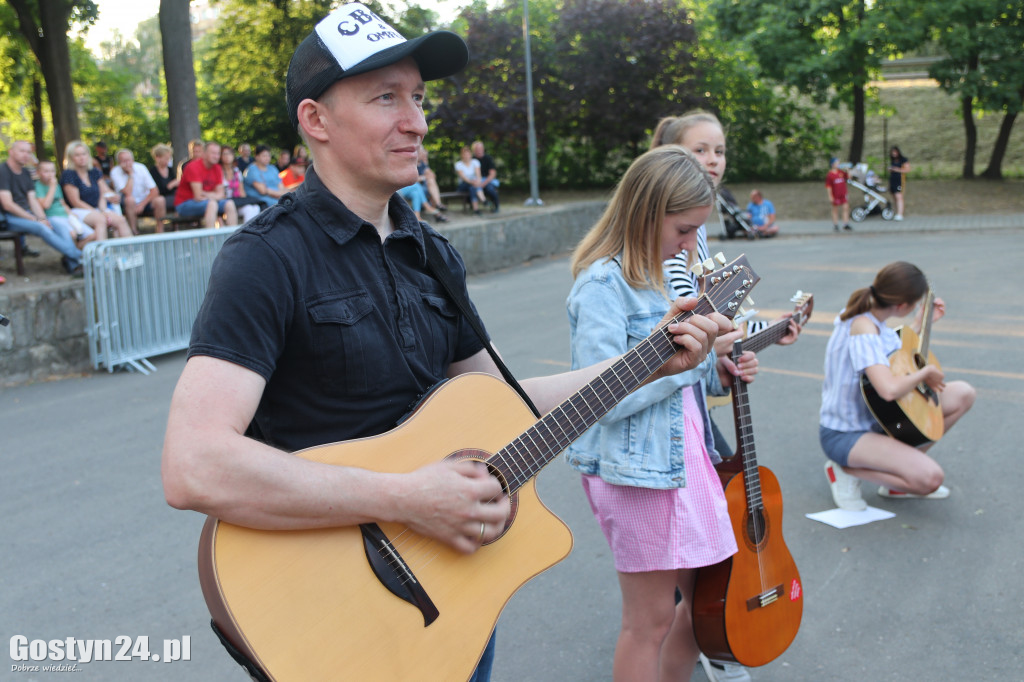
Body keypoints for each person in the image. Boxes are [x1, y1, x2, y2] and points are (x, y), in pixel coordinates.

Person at [160, 7, 727, 682]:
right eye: (386, 98)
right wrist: (406, 498)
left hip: (450, 607)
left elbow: (510, 407)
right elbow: (194, 465)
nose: (418, 122)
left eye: (420, 98)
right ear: (316, 120)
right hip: (334, 617)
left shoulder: (432, 256)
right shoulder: (265, 259)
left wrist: (650, 360)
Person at [567, 144, 756, 682]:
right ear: (645, 215)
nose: (692, 244)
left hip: (684, 464)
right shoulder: (603, 286)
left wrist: (715, 367)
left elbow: (681, 390)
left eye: (698, 230)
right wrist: (679, 364)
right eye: (682, 229)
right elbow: (596, 400)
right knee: (647, 624)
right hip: (640, 477)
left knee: (706, 609)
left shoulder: (668, 276)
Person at [652, 110, 800, 682]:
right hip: (664, 429)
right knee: (678, 575)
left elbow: (709, 342)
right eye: (699, 150)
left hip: (691, 410)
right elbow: (660, 354)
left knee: (709, 548)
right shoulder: (659, 246)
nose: (713, 160)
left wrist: (741, 351)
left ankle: (708, 634)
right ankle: (705, 632)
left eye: (719, 150)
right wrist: (711, 357)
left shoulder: (701, 234)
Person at [819, 261, 975, 510]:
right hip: (846, 434)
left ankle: (897, 480)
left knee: (963, 394)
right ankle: (845, 470)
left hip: (879, 421)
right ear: (901, 306)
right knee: (930, 479)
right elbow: (888, 390)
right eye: (914, 305)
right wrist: (925, 372)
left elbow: (894, 352)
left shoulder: (871, 319)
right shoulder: (862, 327)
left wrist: (923, 321)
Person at [1, 141, 84, 274]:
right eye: (22, 151)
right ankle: (82, 258)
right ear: (11, 151)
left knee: (59, 227)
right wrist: (35, 219)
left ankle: (74, 266)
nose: (26, 155)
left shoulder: (26, 173)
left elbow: (32, 200)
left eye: (28, 152)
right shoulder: (3, 171)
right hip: (9, 218)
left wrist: (43, 218)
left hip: (28, 215)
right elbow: (8, 204)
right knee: (41, 228)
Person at [61, 140, 133, 239]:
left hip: (98, 208)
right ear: (71, 158)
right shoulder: (69, 175)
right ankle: (101, 252)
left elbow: (104, 191)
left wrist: (113, 196)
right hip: (79, 210)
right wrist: (99, 213)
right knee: (100, 220)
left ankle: (130, 251)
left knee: (121, 220)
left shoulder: (94, 172)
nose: (82, 157)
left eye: (84, 154)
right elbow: (76, 202)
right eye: (77, 155)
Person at [34, 159, 99, 247]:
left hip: (65, 215)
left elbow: (62, 203)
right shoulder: (38, 186)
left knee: (92, 235)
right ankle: (74, 255)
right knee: (72, 235)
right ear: (38, 172)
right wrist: (52, 187)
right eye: (46, 171)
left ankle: (75, 254)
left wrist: (70, 213)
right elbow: (46, 205)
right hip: (53, 216)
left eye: (52, 171)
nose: (50, 174)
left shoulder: (56, 186)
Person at [174, 141, 238, 228]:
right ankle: (210, 239)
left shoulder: (217, 168)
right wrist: (214, 195)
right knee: (212, 204)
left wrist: (207, 194)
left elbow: (221, 194)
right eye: (213, 153)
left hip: (207, 201)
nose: (216, 156)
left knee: (229, 203)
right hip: (185, 204)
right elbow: (198, 196)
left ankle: (233, 238)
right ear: (204, 154)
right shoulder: (193, 167)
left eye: (218, 153)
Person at [110, 148, 165, 234]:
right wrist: (130, 175)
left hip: (145, 201)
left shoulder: (141, 168)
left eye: (128, 160)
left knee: (160, 200)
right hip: (126, 203)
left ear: (132, 159)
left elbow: (154, 190)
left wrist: (142, 204)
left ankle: (160, 231)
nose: (127, 163)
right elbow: (127, 192)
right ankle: (134, 230)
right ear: (119, 162)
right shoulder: (115, 172)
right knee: (130, 199)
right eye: (123, 161)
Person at [219, 145, 262, 222]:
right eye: (224, 154)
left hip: (237, 201)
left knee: (255, 208)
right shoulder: (218, 171)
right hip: (225, 203)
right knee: (244, 209)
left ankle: (249, 233)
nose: (227, 156)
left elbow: (241, 191)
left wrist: (244, 201)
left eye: (229, 154)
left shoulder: (237, 171)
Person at [149, 143, 179, 217]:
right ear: (157, 157)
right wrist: (170, 185)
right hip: (161, 198)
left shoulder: (170, 170)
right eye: (166, 158)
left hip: (173, 196)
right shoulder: (153, 171)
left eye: (169, 158)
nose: (168, 161)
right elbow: (157, 190)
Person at [471, 140, 500, 213]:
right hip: (476, 181)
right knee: (472, 189)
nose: (479, 151)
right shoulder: (472, 159)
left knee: (490, 189)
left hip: (487, 180)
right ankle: (475, 207)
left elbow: (492, 173)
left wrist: (483, 184)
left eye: (480, 149)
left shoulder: (488, 158)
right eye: (477, 149)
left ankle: (496, 206)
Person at [455, 145, 484, 214]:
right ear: (462, 155)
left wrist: (478, 181)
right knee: (472, 186)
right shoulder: (458, 164)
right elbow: (463, 178)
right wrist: (472, 182)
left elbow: (478, 175)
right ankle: (483, 200)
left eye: (468, 154)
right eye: (465, 154)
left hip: (474, 184)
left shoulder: (475, 162)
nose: (466, 156)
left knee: (472, 188)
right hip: (463, 185)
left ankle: (476, 209)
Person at [826, 157, 851, 232]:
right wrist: (830, 196)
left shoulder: (841, 172)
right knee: (835, 210)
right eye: (837, 163)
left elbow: (849, 178)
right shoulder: (830, 175)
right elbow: (828, 186)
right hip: (835, 194)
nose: (838, 164)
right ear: (832, 164)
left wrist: (848, 170)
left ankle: (845, 224)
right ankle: (835, 224)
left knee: (846, 208)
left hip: (843, 193)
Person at [417, 145, 445, 210]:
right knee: (431, 186)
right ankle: (438, 209)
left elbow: (433, 175)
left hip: (425, 187)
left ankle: (438, 206)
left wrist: (427, 164)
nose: (423, 155)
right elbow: (413, 180)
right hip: (417, 188)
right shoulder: (413, 163)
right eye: (422, 153)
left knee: (431, 182)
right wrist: (424, 177)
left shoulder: (423, 164)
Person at [888, 145, 909, 221]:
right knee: (894, 197)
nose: (893, 153)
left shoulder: (903, 160)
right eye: (892, 152)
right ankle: (896, 212)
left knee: (899, 196)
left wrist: (897, 169)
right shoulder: (893, 160)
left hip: (899, 180)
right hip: (892, 180)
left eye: (895, 152)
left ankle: (900, 214)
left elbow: (907, 170)